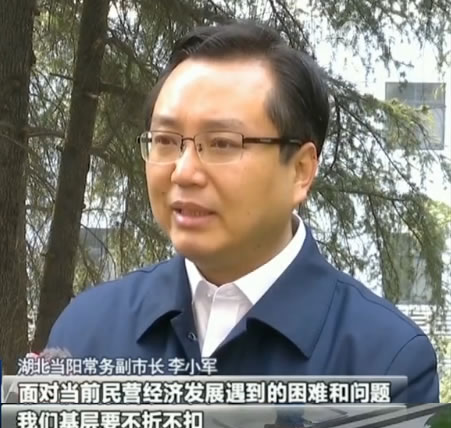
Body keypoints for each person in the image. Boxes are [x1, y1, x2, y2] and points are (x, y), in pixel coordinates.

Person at [46, 21, 439, 402]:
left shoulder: (388, 363)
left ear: (300, 170)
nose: (183, 172)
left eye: (221, 143)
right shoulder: (85, 332)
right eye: (165, 140)